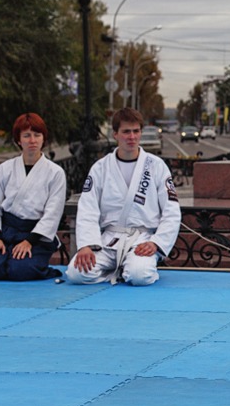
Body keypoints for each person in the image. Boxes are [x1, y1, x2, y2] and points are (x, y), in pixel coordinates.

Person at [65, 108, 181, 286]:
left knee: (139, 276)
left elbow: (171, 210)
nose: (132, 137)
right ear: (115, 134)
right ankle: (119, 270)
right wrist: (86, 245)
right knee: (75, 274)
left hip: (142, 240)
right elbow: (88, 209)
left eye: (136, 131)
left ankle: (130, 267)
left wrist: (157, 243)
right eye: (126, 131)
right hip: (109, 240)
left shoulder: (156, 166)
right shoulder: (100, 167)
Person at [0, 113, 66, 281]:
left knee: (20, 271)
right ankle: (2, 254)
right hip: (5, 229)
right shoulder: (5, 169)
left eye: (37, 135)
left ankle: (31, 263)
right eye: (27, 135)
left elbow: (52, 214)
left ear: (43, 139)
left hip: (34, 234)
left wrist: (29, 241)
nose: (32, 140)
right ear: (18, 140)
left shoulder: (55, 173)